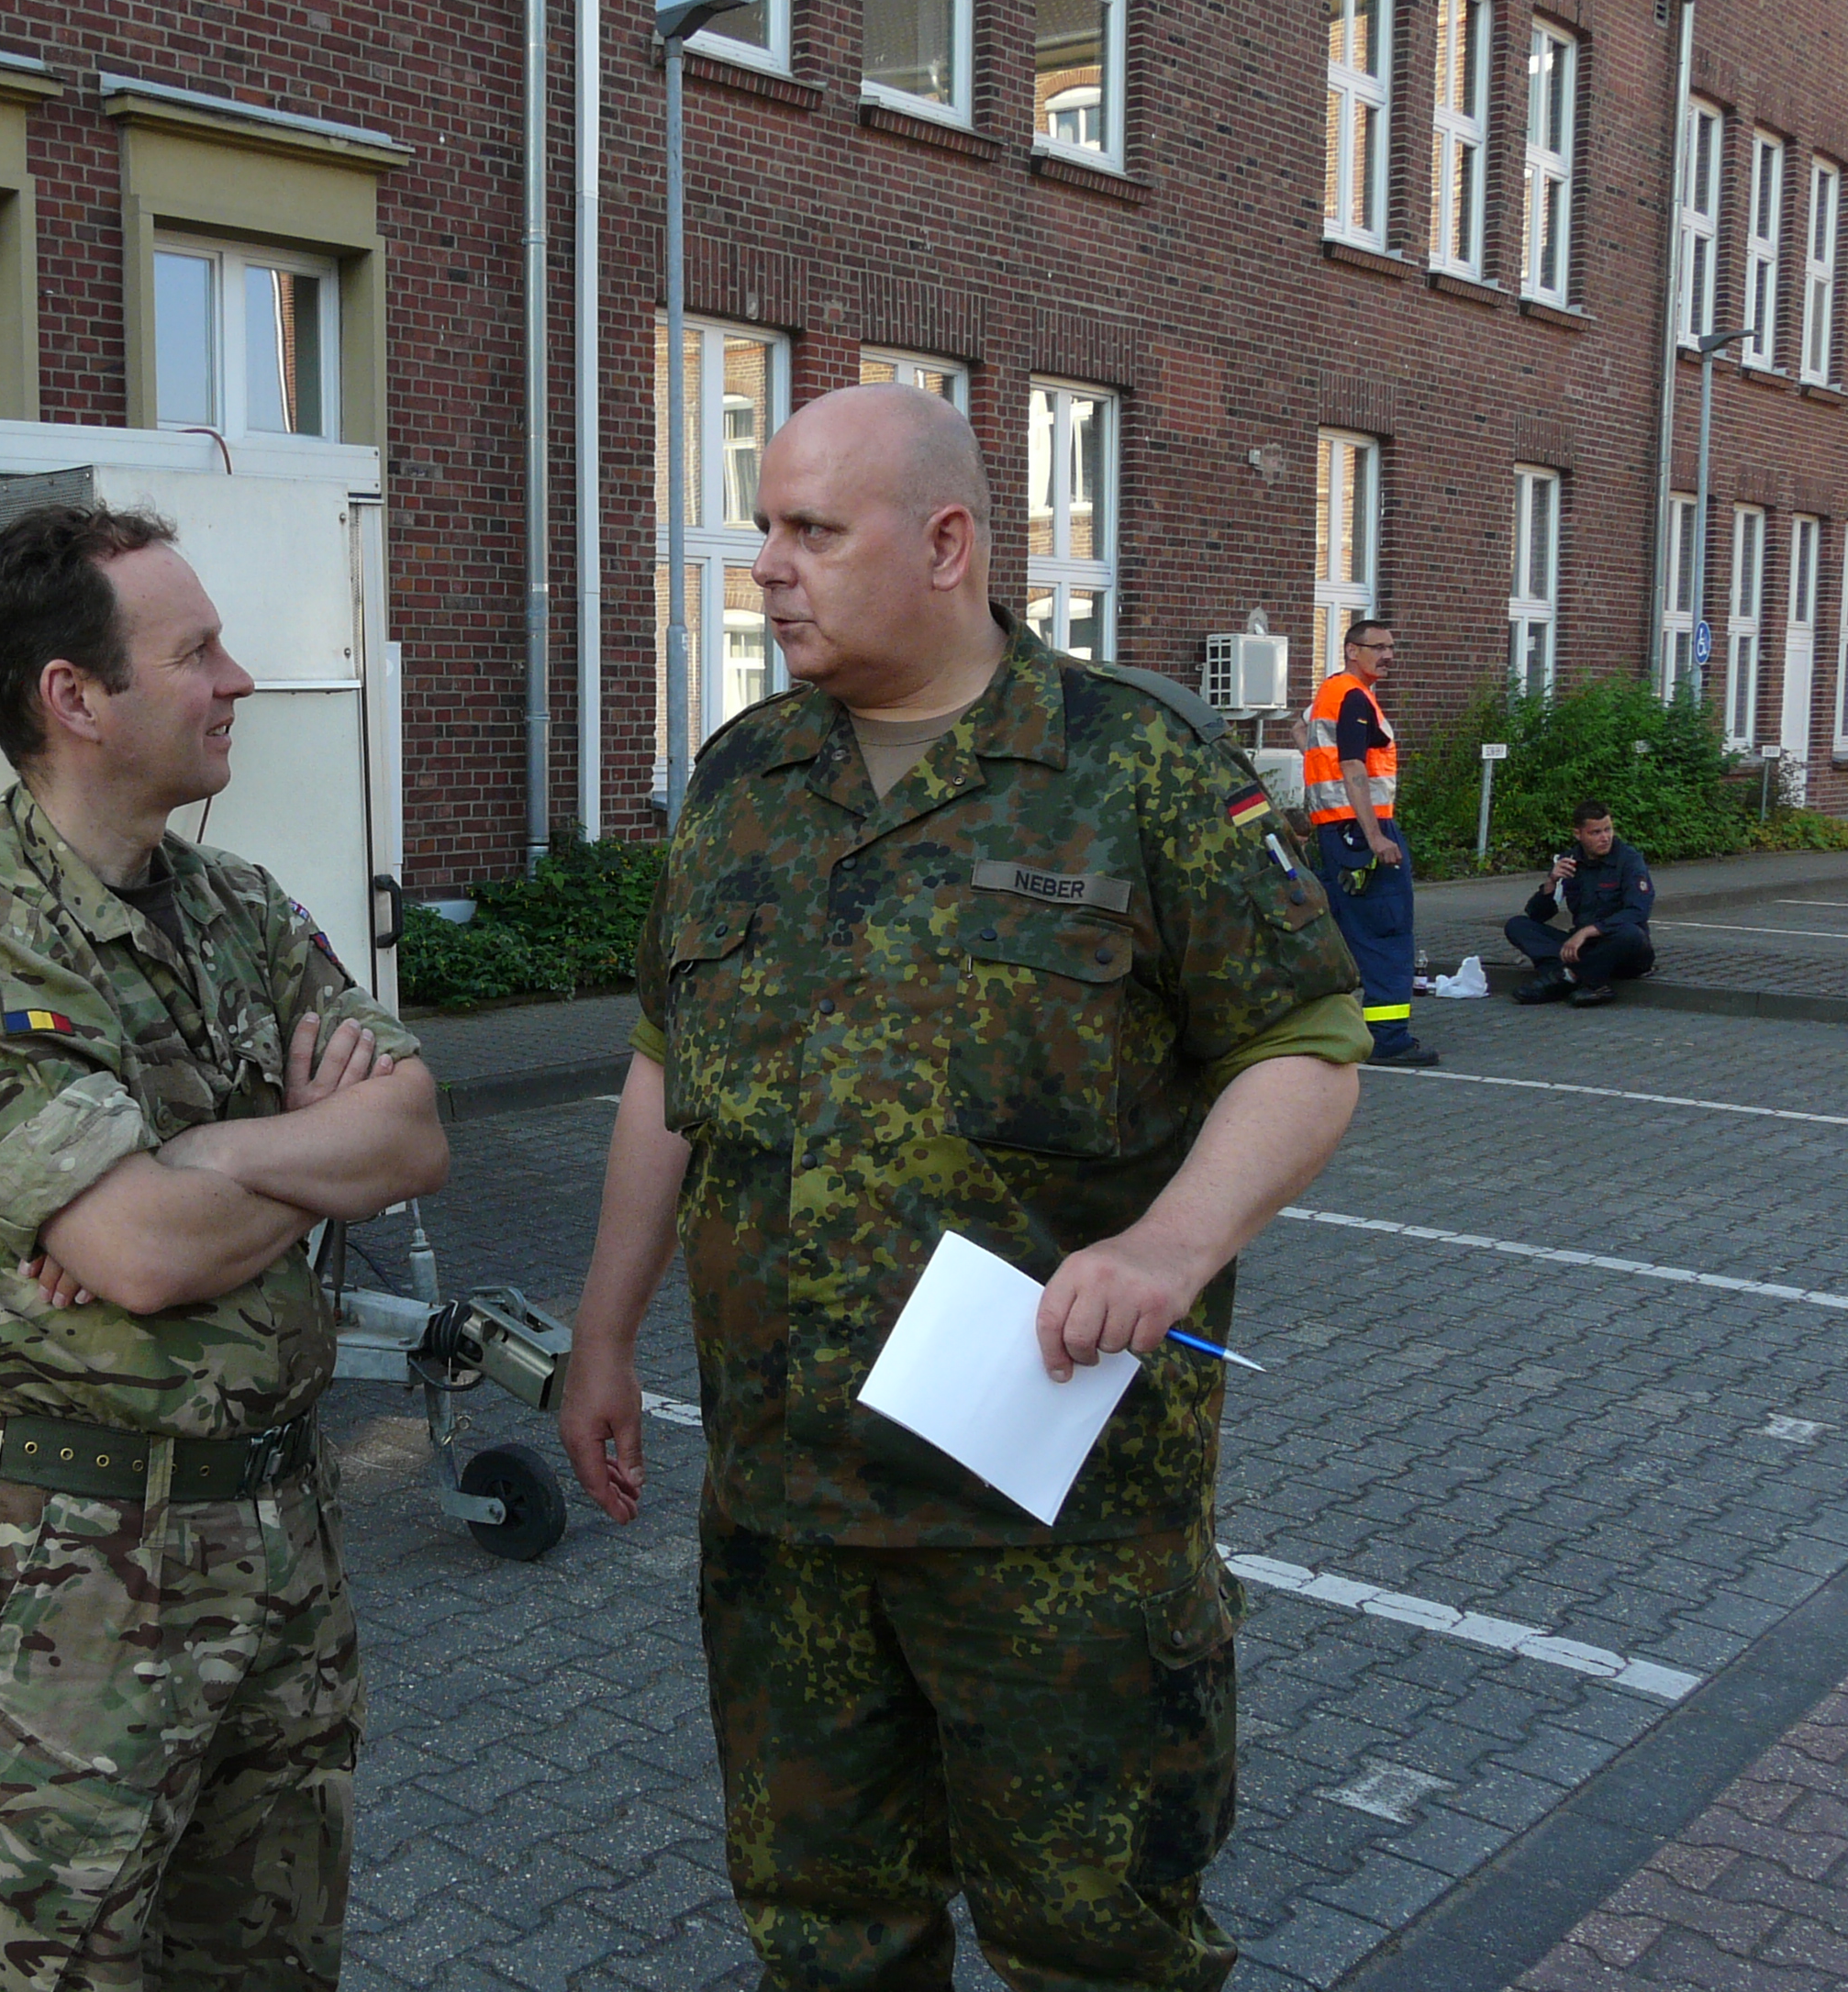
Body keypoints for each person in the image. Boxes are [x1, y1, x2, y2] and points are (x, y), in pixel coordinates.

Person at [554, 385, 1366, 1991]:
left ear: (945, 547)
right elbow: (665, 1066)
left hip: (1051, 1522)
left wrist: (1170, 1242)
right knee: (824, 1934)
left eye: (810, 530)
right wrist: (600, 1337)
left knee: (1095, 1943)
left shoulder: (1130, 768)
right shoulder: (743, 778)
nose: (765, 567)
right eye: (764, 527)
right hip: (788, 1512)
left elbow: (1304, 1043)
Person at [0, 505, 448, 1992]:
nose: (237, 679)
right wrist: (298, 1145)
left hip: (281, 1545)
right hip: (75, 1589)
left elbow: (415, 1131)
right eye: (196, 652)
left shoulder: (237, 907)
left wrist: (209, 1159)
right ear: (75, 698)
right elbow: (148, 1253)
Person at [1304, 618, 1436, 1067]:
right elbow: (1353, 766)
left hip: (1333, 833)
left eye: (1391, 647)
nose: (1388, 656)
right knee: (1386, 932)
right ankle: (1387, 1037)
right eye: (1377, 647)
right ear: (1351, 650)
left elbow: (1301, 732)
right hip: (1362, 832)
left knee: (1341, 930)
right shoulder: (1355, 697)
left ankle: (1319, 1024)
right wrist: (1376, 836)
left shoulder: (1330, 692)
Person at [1508, 802, 1654, 1007]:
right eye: (1596, 832)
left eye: (1608, 829)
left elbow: (1638, 911)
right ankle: (1580, 977)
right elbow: (1537, 915)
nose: (1605, 838)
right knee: (1517, 925)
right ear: (1578, 834)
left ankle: (1567, 977)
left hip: (1620, 948)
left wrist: (1587, 931)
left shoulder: (1629, 860)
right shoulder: (1569, 860)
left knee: (1630, 933)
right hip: (1583, 948)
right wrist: (1551, 882)